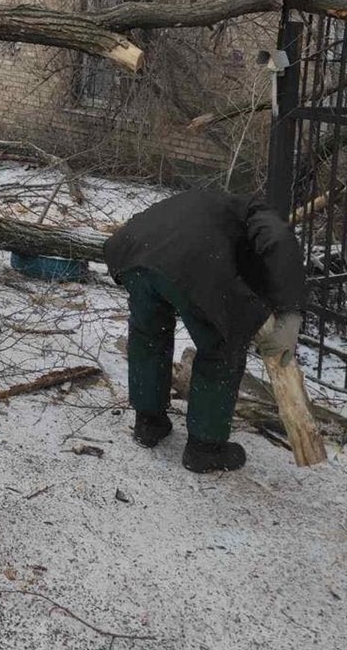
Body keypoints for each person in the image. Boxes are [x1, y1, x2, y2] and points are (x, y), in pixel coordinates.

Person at [104, 189, 305, 474]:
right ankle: (205, 448)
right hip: (188, 259)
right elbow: (278, 241)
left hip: (135, 252)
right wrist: (290, 312)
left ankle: (148, 423)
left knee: (149, 336)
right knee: (222, 347)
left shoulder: (208, 203)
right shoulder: (255, 211)